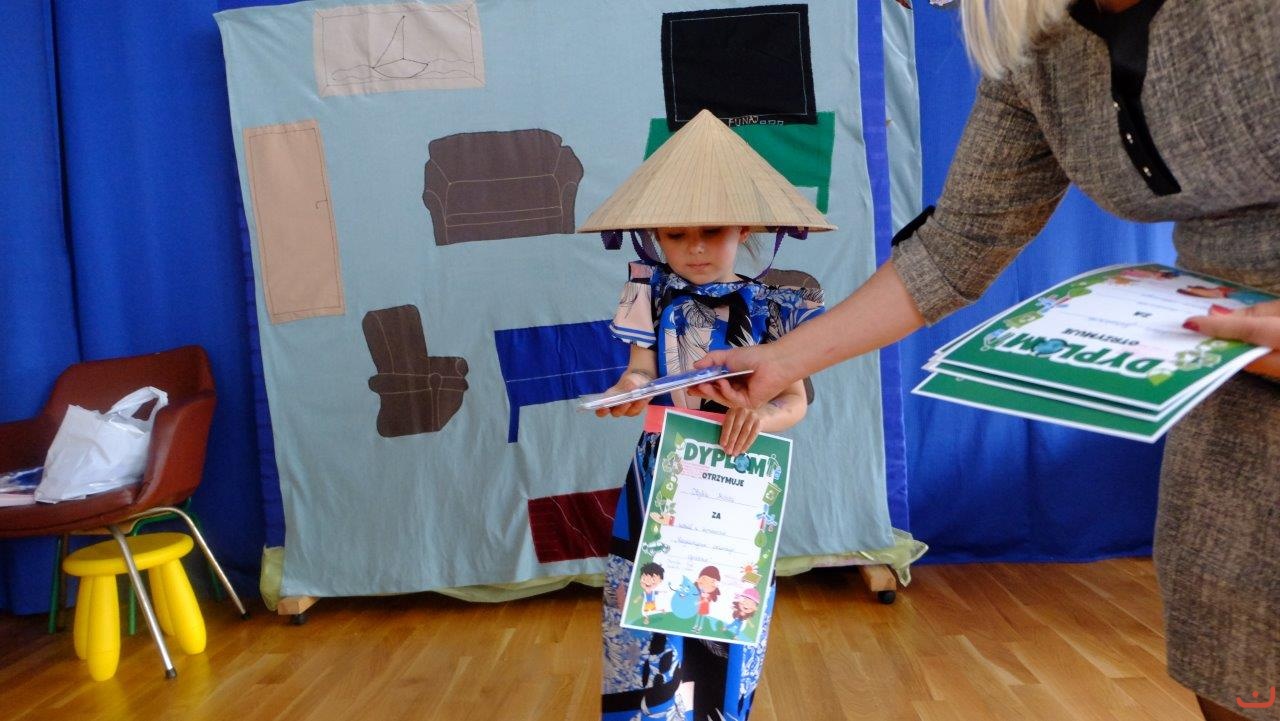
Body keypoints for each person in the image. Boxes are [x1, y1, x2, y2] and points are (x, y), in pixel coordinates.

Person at [691, 1, 1280, 720]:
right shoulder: (1037, 46)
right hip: (1224, 376)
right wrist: (783, 360)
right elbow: (958, 244)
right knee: (1233, 656)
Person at [579, 109, 832, 721]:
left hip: (738, 470)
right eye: (674, 234)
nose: (693, 247)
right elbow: (642, 371)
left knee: (724, 607)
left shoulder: (776, 304)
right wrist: (630, 388)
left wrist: (760, 417)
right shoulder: (648, 292)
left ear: (744, 227)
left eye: (711, 231)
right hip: (660, 468)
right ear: (654, 237)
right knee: (647, 604)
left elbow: (794, 401)